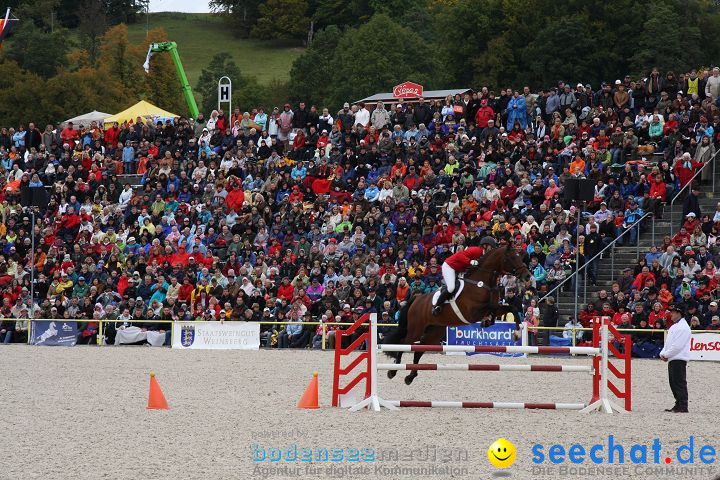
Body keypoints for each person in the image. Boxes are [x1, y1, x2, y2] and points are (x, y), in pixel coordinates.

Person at [431, 236, 497, 315]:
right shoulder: (476, 250)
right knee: (451, 288)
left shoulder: (483, 256)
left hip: (459, 270)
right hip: (450, 266)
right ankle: (437, 305)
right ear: (485, 245)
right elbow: (459, 255)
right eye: (491, 247)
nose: (492, 249)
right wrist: (470, 262)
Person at [659, 306, 691, 413]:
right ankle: (678, 404)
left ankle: (683, 405)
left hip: (678, 358)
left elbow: (677, 346)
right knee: (673, 382)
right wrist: (663, 353)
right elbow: (669, 343)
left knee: (679, 382)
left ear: (679, 313)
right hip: (673, 357)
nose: (671, 314)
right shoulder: (674, 327)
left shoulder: (683, 328)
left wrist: (666, 354)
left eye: (673, 312)